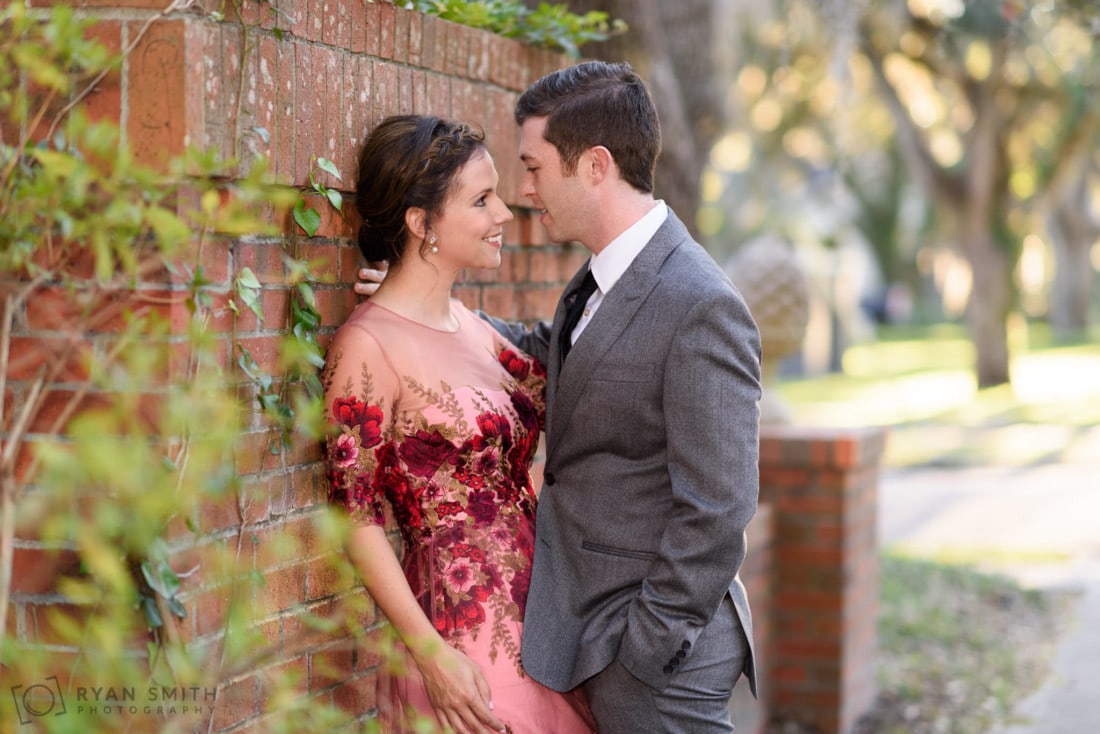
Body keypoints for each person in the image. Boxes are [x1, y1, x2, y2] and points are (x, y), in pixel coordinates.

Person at [358, 61, 762, 733]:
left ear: (595, 165)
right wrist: (420, 314)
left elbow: (719, 508)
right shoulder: (603, 279)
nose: (523, 190)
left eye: (535, 167)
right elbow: (551, 352)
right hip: (590, 638)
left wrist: (645, 652)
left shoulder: (699, 303)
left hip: (657, 657)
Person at [323, 114, 595, 734]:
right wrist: (430, 656)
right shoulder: (364, 348)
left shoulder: (476, 330)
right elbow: (353, 519)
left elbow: (575, 405)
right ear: (421, 223)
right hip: (461, 639)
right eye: (480, 200)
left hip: (550, 626)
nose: (503, 213)